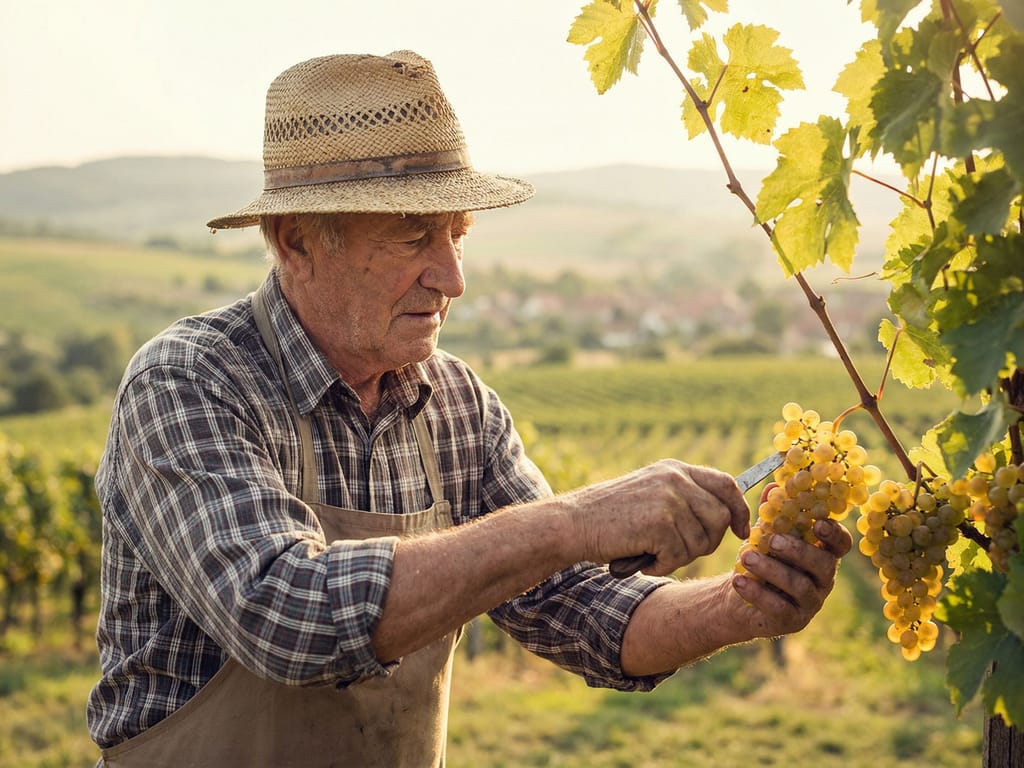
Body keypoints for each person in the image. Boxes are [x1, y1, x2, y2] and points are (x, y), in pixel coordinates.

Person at [87, 50, 851, 767]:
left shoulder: (455, 404)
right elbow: (285, 616)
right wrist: (572, 522)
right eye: (414, 236)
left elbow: (577, 609)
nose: (453, 279)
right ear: (296, 242)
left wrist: (739, 607)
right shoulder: (189, 382)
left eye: (458, 235)